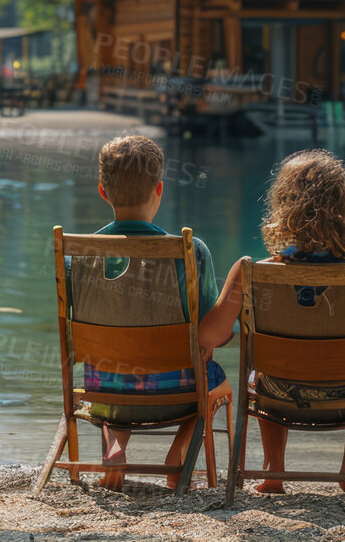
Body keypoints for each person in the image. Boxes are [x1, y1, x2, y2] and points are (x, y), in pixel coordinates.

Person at [198, 148, 345, 493]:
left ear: (282, 207)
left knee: (263, 371)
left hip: (278, 396)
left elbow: (208, 335)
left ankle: (274, 471)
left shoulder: (250, 273)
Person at [73, 134, 223, 490]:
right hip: (177, 394)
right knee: (211, 370)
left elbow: (73, 333)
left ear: (103, 192)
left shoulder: (78, 254)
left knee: (112, 360)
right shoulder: (192, 251)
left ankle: (115, 444)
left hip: (105, 393)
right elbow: (210, 331)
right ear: (159, 190)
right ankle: (177, 453)